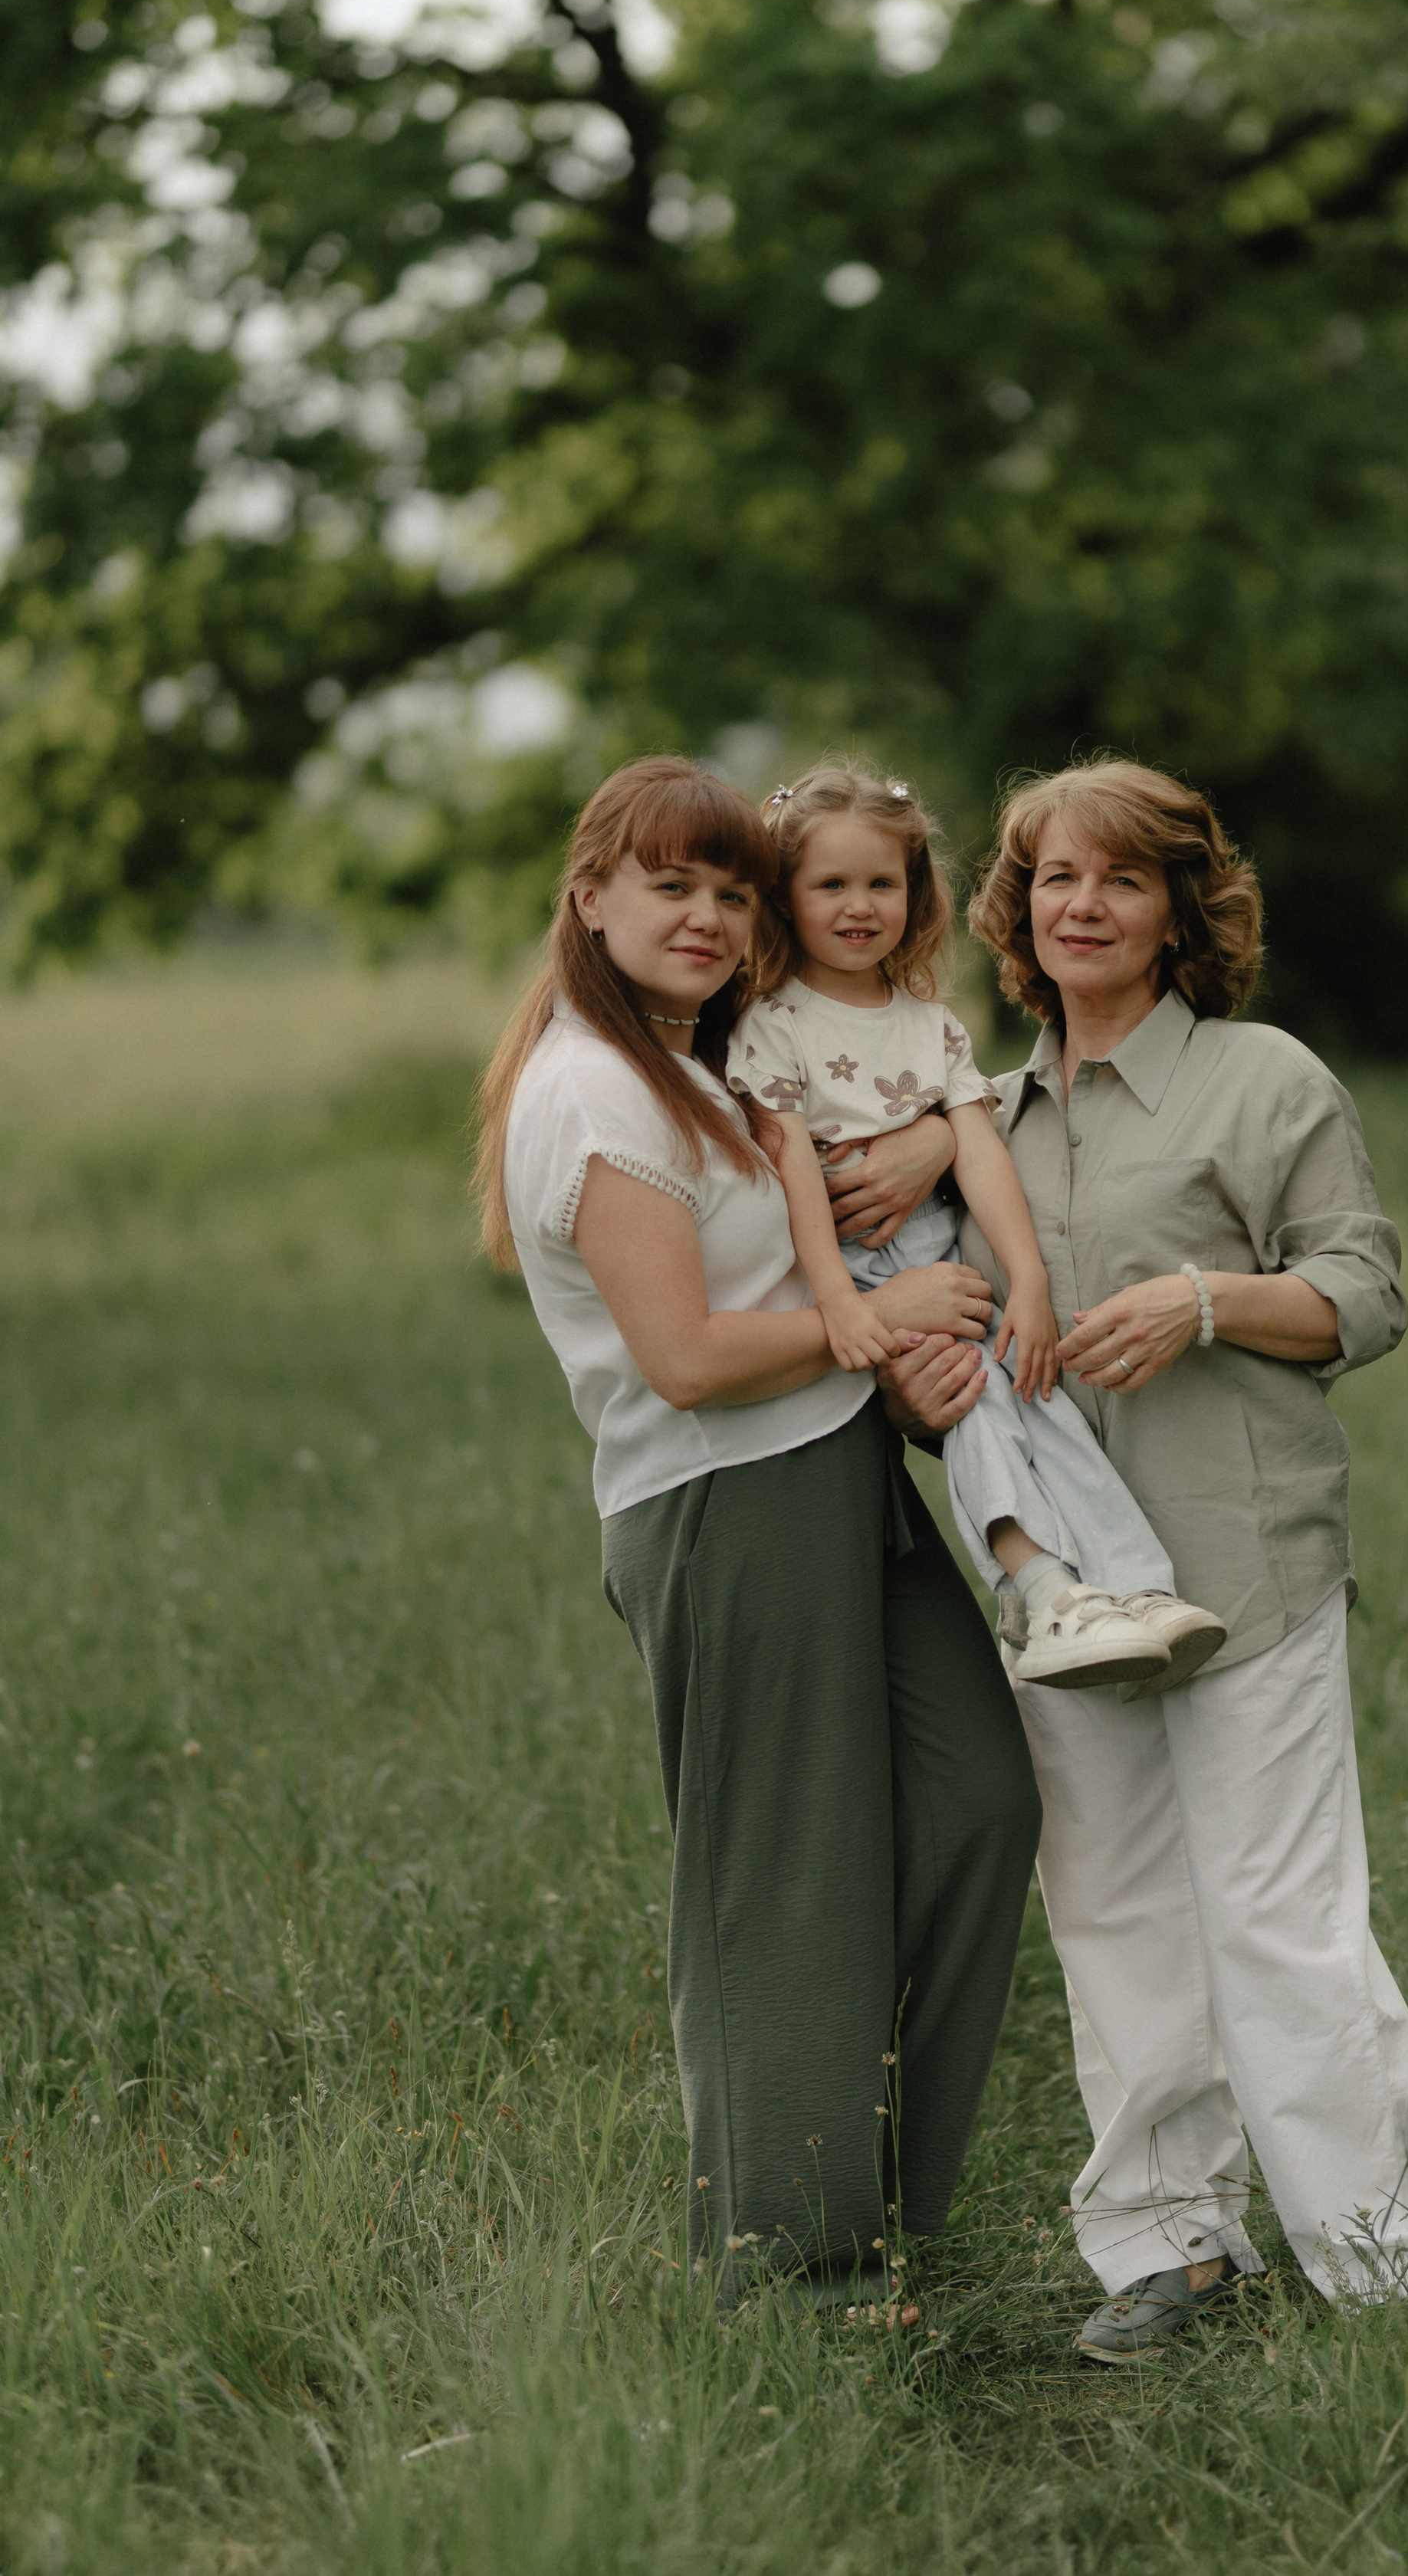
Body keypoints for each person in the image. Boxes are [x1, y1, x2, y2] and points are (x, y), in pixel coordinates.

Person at [883, 760, 1408, 2361]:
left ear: (1180, 908)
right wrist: (922, 1381)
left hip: (1243, 1558)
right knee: (1115, 1912)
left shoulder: (1264, 1081)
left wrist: (1204, 1301)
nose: (1082, 904)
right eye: (1053, 878)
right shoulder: (975, 1122)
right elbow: (953, 1370)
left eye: (1120, 878)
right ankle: (1172, 2246)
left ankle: (1386, 2260)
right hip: (1066, 1594)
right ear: (1016, 911)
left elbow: (1363, 1294)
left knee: (1277, 1914)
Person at [472, 754, 1040, 2308]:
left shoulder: (703, 1058)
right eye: (672, 886)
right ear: (590, 897)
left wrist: (929, 1161)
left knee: (979, 1801)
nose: (708, 918)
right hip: (721, 1499)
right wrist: (886, 1320)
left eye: (733, 892)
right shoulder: (593, 1090)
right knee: (785, 1881)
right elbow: (689, 1356)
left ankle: (869, 2187)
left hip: (838, 1468)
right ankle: (795, 2274)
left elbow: (876, 1116)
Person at [725, 762, 1227, 1694]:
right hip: (858, 1272)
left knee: (1040, 1395)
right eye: (829, 884)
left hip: (946, 1258)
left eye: (881, 883)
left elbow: (979, 1151)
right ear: (784, 898)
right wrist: (838, 1301)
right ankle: (1039, 1589)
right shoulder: (771, 1023)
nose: (858, 906)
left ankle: (1134, 1586)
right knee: (976, 1400)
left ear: (914, 893)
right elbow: (793, 1171)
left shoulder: (931, 1026)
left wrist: (1027, 1282)